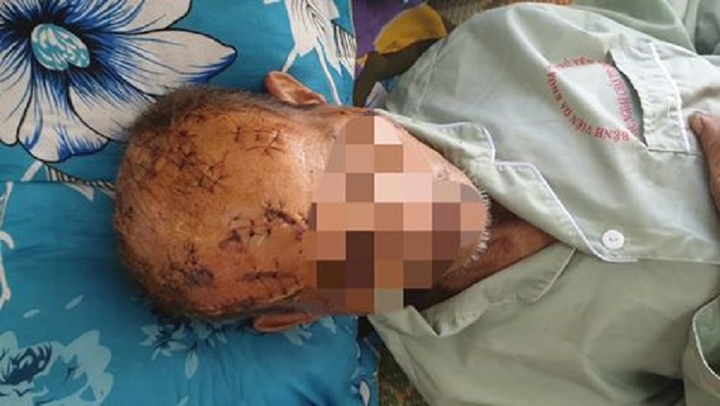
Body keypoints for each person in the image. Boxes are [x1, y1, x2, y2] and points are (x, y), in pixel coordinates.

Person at [115, 0, 720, 403]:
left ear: (313, 102)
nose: (406, 226)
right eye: (342, 258)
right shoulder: (488, 390)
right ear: (300, 316)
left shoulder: (504, 45)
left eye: (349, 176)